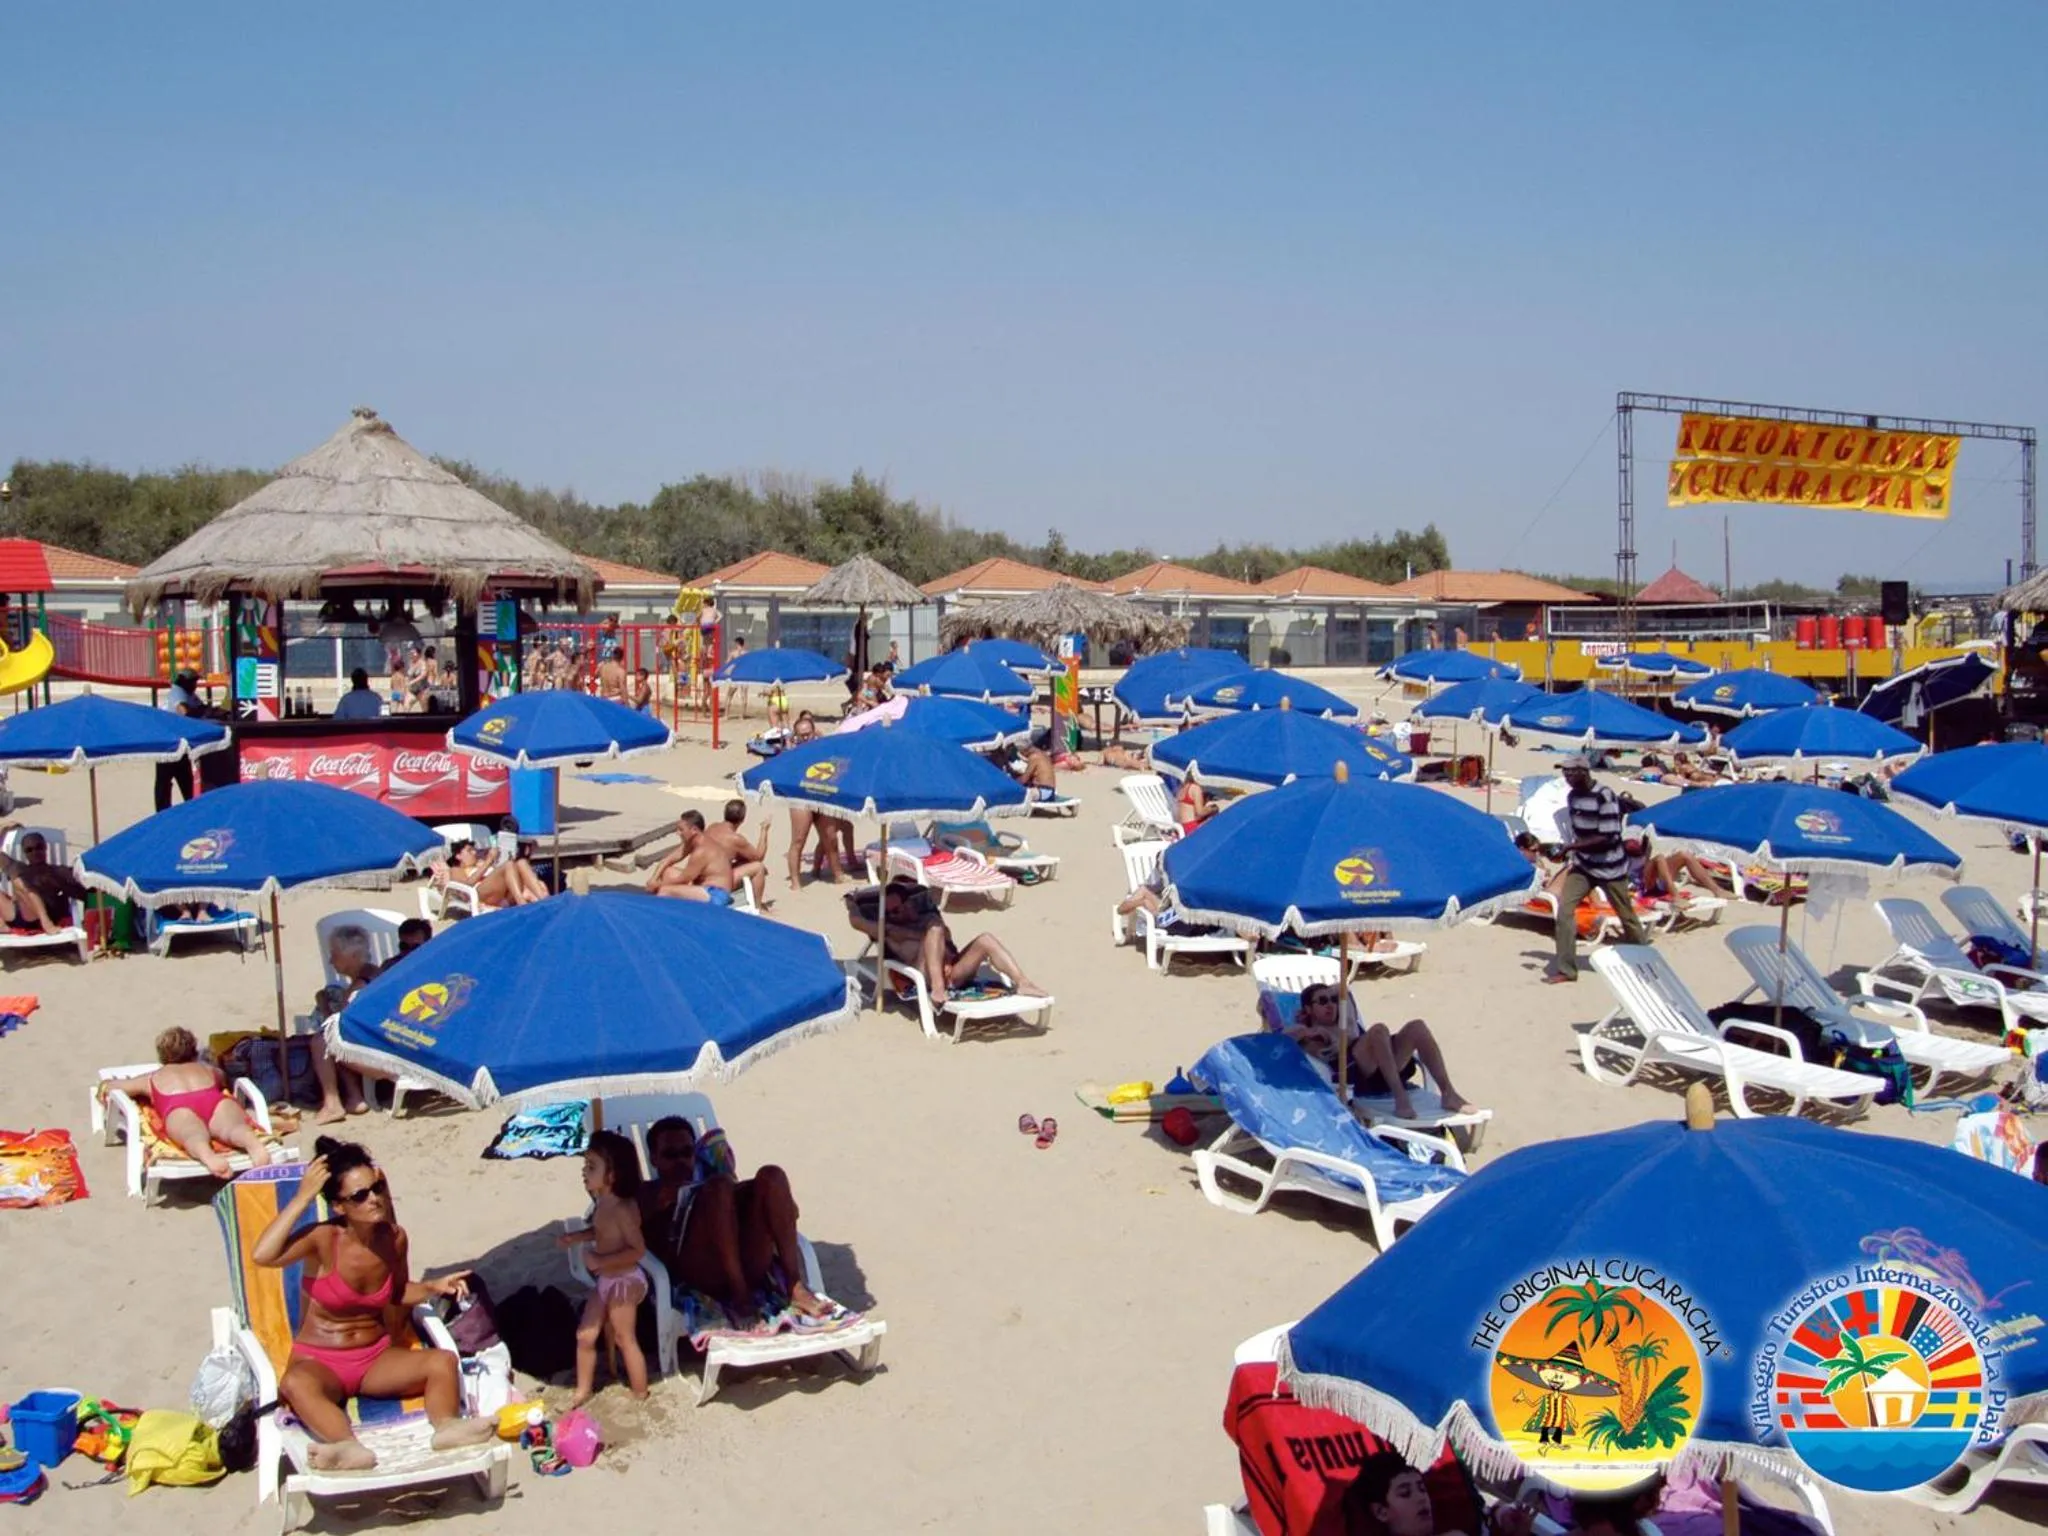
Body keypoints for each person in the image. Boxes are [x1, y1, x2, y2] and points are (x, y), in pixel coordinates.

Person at [251, 1137, 496, 1471]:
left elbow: (395, 1294)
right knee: (294, 1383)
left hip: (374, 1358)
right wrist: (303, 1197)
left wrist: (432, 1287)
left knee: (442, 1361)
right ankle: (347, 1446)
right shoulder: (324, 1240)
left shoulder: (394, 1239)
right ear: (340, 1206)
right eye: (360, 1196)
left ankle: (447, 1427)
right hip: (322, 1361)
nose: (374, 1200)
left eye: (376, 1188)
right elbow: (262, 1255)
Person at [639, 1113, 839, 1328]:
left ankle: (794, 1286)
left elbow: (793, 1213)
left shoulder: (710, 1183)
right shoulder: (646, 1194)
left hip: (748, 1262)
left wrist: (744, 1195)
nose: (680, 1161)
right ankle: (740, 1295)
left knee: (771, 1175)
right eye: (670, 1154)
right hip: (699, 1272)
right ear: (654, 1159)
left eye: (686, 1152)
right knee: (719, 1187)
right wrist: (663, 1207)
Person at [1283, 984, 1480, 1119]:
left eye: (1334, 999)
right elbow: (1281, 1036)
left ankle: (1449, 1093)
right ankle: (1400, 1097)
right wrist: (1307, 1030)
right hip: (1357, 1077)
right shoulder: (1306, 1031)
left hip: (1383, 1066)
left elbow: (1346, 1001)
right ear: (1308, 1008)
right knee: (1378, 1030)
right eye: (1323, 1001)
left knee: (1417, 1027)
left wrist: (1338, 992)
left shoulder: (1345, 1021)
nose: (1330, 1005)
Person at [104, 1027, 276, 1177]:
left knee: (192, 1135)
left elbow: (118, 1088)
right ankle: (253, 1145)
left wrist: (109, 1085)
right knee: (235, 1129)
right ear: (193, 1051)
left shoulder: (153, 1077)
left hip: (179, 1106)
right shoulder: (208, 1070)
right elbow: (224, 1080)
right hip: (213, 1100)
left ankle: (207, 1155)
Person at [557, 1131, 649, 1406]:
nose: (584, 1172)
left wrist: (600, 1262)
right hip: (607, 1279)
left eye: (592, 1167)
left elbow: (637, 1250)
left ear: (612, 1175)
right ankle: (582, 1390)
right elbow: (600, 1232)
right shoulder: (602, 1204)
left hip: (625, 1279)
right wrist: (579, 1237)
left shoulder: (621, 1209)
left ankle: (640, 1392)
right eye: (585, 1166)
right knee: (585, 1335)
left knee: (624, 1337)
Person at [849, 878, 1049, 999]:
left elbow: (946, 936)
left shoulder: (928, 918)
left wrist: (921, 928)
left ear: (909, 905)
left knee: (985, 939)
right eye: (889, 911)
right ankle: (938, 989)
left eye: (897, 909)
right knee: (934, 930)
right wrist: (852, 903)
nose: (894, 914)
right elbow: (856, 921)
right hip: (923, 975)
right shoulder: (888, 929)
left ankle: (1022, 982)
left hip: (953, 971)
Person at [1547, 756, 1648, 983]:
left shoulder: (1605, 795)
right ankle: (1567, 969)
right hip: (1583, 865)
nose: (1568, 777)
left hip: (1610, 866)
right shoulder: (1572, 797)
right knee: (1564, 911)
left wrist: (1570, 847)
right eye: (1565, 773)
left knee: (1626, 916)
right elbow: (1579, 833)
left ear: (1585, 772)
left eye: (1572, 773)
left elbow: (1608, 836)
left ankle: (1644, 961)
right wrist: (1563, 850)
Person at [0, 827, 90, 929]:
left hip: (43, 917)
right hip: (17, 915)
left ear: (45, 847)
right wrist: (4, 828)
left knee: (19, 881)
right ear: (25, 853)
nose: (35, 852)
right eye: (29, 850)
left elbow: (84, 892)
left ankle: (45, 921)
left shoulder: (58, 871)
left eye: (39, 847)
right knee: (18, 878)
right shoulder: (20, 868)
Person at [646, 811, 739, 905]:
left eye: (681, 830)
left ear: (694, 830)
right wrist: (653, 878)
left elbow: (684, 879)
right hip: (702, 886)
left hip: (716, 894)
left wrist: (657, 885)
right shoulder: (692, 842)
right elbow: (668, 859)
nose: (678, 833)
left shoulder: (702, 851)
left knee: (665, 890)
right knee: (668, 871)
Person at [1623, 828, 1732, 905]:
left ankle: (1717, 890)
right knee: (1659, 858)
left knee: (1684, 855)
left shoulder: (1644, 840)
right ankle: (1675, 896)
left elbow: (1645, 860)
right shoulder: (1620, 844)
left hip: (1655, 879)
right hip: (1640, 885)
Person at [705, 799, 771, 908]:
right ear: (742, 819)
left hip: (703, 876)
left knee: (745, 861)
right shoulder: (735, 839)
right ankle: (758, 907)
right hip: (718, 883)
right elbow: (759, 857)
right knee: (759, 867)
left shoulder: (712, 827)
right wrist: (764, 830)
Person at [155, 669, 204, 809]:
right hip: (166, 745)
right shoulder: (177, 692)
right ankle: (162, 814)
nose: (196, 685)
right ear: (186, 682)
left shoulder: (190, 694)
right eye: (194, 681)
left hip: (179, 744)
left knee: (186, 780)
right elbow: (183, 710)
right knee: (164, 782)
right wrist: (199, 713)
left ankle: (190, 810)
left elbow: (201, 707)